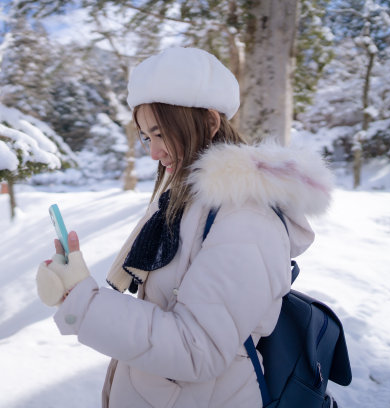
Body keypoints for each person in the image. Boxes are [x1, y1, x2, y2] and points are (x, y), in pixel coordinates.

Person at [36, 47, 334, 408]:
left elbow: (197, 348)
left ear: (209, 122)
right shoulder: (184, 205)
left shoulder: (245, 218)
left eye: (161, 133)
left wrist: (86, 304)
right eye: (146, 136)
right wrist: (75, 290)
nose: (153, 153)